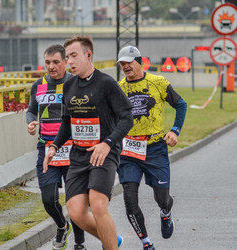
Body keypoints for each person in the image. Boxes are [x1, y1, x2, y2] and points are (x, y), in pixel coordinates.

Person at [43, 36, 134, 250]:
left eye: (73, 56)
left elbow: (127, 117)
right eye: (67, 57)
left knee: (98, 203)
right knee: (76, 212)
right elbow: (67, 121)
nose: (69, 61)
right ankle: (112, 239)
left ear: (88, 55)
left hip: (104, 153)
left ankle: (110, 245)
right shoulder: (69, 86)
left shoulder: (106, 83)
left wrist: (108, 143)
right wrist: (54, 146)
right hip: (79, 155)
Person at [116, 46, 187, 250]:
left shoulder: (158, 82)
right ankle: (147, 243)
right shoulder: (119, 88)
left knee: (162, 198)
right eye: (122, 63)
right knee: (129, 199)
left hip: (155, 148)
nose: (125, 66)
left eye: (129, 62)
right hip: (129, 150)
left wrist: (174, 130)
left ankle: (165, 212)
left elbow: (181, 105)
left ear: (140, 62)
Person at [26, 44, 86, 250]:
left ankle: (79, 243)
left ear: (65, 62)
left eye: (56, 62)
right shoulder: (38, 85)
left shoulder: (76, 83)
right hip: (46, 150)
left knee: (74, 203)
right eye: (47, 62)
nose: (51, 67)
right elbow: (31, 111)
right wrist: (31, 122)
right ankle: (62, 225)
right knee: (48, 200)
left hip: (73, 150)